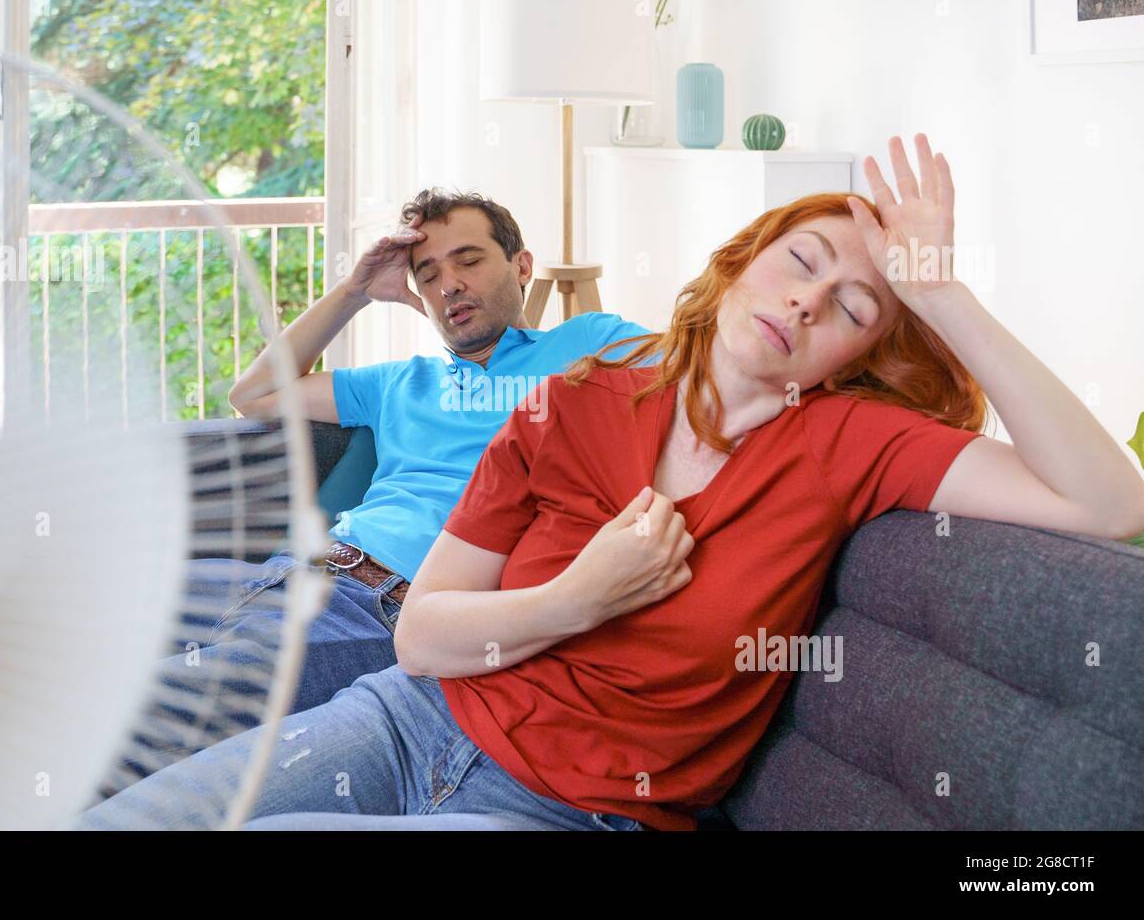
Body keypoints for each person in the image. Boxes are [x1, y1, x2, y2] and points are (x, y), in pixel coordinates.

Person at [79, 134, 1144, 829]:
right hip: (408, 714)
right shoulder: (576, 395)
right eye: (803, 259)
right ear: (742, 260)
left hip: (561, 811)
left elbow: (1108, 502)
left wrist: (939, 290)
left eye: (858, 309)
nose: (812, 303)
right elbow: (422, 634)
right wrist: (579, 597)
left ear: (851, 359)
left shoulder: (852, 441)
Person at [97, 188, 649, 797]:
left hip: (380, 610)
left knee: (127, 711)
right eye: (429, 273)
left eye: (469, 260)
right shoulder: (403, 381)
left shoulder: (588, 346)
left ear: (521, 265)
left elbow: (706, 368)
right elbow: (252, 395)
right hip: (285, 574)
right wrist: (356, 291)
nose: (449, 287)